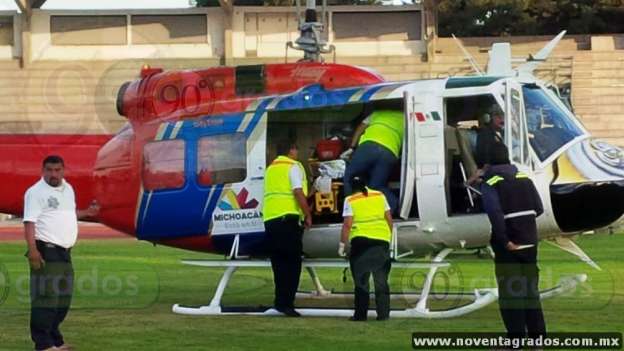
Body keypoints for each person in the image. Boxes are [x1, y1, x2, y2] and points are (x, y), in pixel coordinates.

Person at [24, 155, 99, 351]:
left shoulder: (68, 189)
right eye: (49, 170)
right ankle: (43, 344)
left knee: (63, 300)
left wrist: (86, 213)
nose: (53, 174)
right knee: (46, 297)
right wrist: (32, 251)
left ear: (63, 170)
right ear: (43, 170)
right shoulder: (36, 192)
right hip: (46, 251)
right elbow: (29, 222)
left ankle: (55, 340)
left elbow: (66, 214)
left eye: (57, 170)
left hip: (65, 253)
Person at [480, 145, 546, 340]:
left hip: (508, 244)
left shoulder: (491, 182)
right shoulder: (524, 178)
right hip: (530, 241)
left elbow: (494, 213)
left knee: (510, 294)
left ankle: (515, 340)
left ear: (488, 163)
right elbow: (539, 208)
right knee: (530, 292)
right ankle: (538, 340)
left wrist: (505, 240)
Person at [263, 142, 312, 317]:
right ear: (291, 150)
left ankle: (279, 301)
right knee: (292, 263)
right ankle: (287, 304)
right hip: (288, 219)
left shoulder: (271, 168)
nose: (298, 152)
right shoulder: (292, 166)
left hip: (270, 220)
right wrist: (307, 214)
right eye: (296, 148)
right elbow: (297, 192)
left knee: (278, 264)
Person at [338, 177, 393, 321]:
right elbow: (389, 219)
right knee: (381, 280)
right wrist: (388, 238)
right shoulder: (379, 196)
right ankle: (383, 315)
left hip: (361, 243)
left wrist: (342, 245)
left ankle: (360, 315)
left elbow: (347, 225)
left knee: (361, 281)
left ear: (352, 187)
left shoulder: (350, 200)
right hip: (381, 241)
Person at [342, 110, 404, 214]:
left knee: (349, 176)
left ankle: (351, 211)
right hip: (390, 152)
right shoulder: (406, 117)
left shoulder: (377, 113)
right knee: (376, 186)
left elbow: (360, 128)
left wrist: (352, 148)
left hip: (369, 146)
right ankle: (393, 207)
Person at [475, 105, 505, 170]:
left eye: (503, 115)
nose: (501, 118)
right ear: (490, 117)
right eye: (497, 115)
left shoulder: (505, 133)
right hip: (494, 169)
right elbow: (484, 159)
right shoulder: (484, 134)